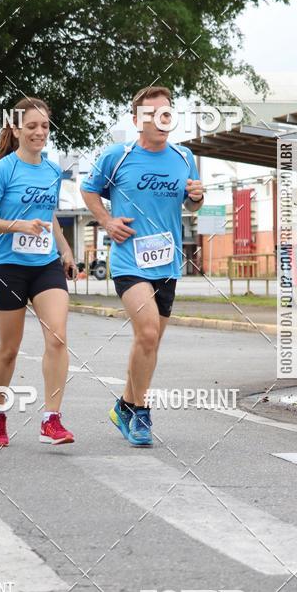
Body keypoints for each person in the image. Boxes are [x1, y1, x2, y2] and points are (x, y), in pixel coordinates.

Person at [81, 85, 204, 447]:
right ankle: (142, 411)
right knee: (147, 332)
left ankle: (126, 406)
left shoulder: (183, 157)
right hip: (128, 260)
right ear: (137, 120)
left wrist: (196, 197)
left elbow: (192, 204)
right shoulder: (117, 156)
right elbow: (89, 190)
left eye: (166, 111)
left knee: (148, 343)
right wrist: (106, 220)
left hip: (166, 262)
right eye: (152, 113)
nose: (161, 118)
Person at [0, 97, 77, 448]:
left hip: (45, 264)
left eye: (44, 126)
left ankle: (51, 419)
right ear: (16, 130)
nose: (39, 132)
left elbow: (48, 217)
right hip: (8, 267)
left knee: (57, 337)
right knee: (9, 349)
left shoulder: (51, 171)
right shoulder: (2, 170)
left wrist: (64, 249)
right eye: (31, 126)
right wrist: (17, 225)